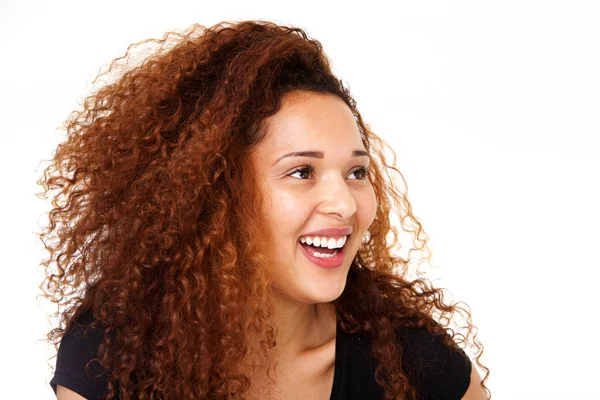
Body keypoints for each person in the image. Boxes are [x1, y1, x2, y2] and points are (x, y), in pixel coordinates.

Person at [38, 20, 490, 400]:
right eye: (302, 172)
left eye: (356, 172)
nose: (345, 204)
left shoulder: (417, 365)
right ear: (216, 194)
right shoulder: (112, 358)